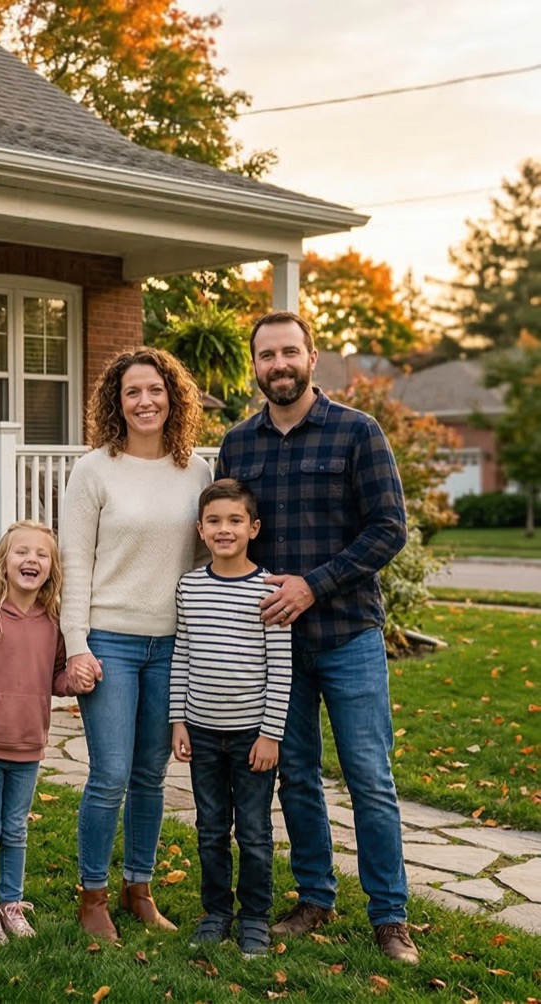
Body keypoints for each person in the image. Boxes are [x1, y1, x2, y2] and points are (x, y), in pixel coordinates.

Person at [217, 310, 416, 964]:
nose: (278, 364)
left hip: (348, 633)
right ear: (256, 365)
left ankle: (390, 917)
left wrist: (315, 584)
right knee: (296, 775)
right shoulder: (238, 445)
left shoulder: (357, 432)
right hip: (277, 647)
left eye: (288, 352)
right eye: (266, 355)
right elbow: (229, 534)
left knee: (369, 776)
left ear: (311, 356)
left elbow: (388, 528)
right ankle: (314, 897)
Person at [60, 346, 212, 940]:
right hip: (110, 643)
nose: (145, 401)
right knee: (110, 773)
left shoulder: (196, 471)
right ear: (115, 403)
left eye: (155, 390)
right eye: (132, 392)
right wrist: (77, 645)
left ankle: (138, 889)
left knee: (151, 775)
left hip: (172, 647)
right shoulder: (93, 470)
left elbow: (202, 564)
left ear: (172, 397)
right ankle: (92, 895)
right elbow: (75, 562)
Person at [169, 479, 292, 958]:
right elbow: (182, 655)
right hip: (201, 732)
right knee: (211, 828)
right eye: (215, 521)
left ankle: (255, 917)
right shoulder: (189, 587)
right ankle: (217, 912)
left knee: (256, 832)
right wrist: (178, 721)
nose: (225, 530)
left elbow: (280, 669)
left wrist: (270, 734)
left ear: (253, 528)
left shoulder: (269, 590)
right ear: (200, 530)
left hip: (251, 739)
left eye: (235, 521)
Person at [0, 520, 79, 946]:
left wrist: (75, 682)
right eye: (22, 552)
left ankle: (12, 904)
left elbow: (55, 677)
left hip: (29, 745)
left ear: (52, 567)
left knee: (16, 828)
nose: (32, 560)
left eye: (42, 554)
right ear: (3, 563)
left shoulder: (52, 621)